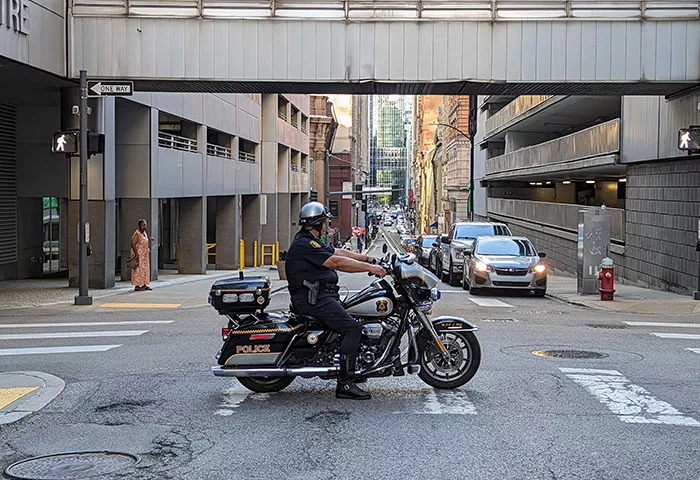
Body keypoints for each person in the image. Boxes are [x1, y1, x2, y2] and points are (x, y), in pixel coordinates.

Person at [286, 202, 386, 400]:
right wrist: (371, 270)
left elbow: (337, 253)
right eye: (325, 221)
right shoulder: (304, 244)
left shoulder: (310, 241)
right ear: (317, 223)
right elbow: (335, 262)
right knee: (352, 328)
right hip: (313, 299)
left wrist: (369, 260)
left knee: (356, 320)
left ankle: (354, 368)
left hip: (321, 296)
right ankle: (346, 384)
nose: (327, 225)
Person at [131, 219, 153, 291]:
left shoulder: (144, 233)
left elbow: (143, 241)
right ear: (139, 225)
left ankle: (144, 284)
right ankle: (137, 285)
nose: (144, 226)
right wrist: (136, 254)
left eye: (145, 225)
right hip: (139, 254)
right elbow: (133, 244)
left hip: (145, 255)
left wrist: (149, 240)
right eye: (143, 225)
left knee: (145, 269)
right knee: (138, 269)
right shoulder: (137, 233)